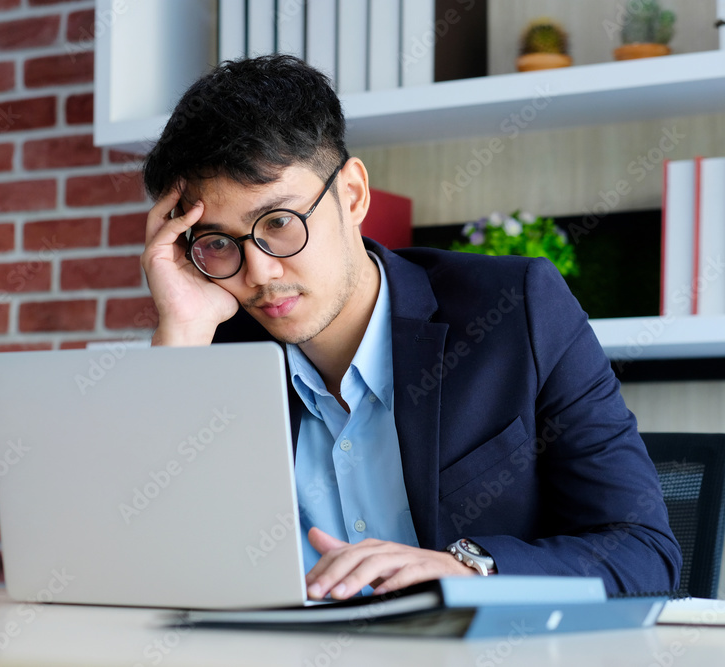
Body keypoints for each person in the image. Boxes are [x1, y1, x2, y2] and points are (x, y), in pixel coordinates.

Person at [140, 54, 681, 599]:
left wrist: (469, 570)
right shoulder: (216, 349)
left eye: (279, 223)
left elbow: (643, 553)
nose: (258, 272)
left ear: (351, 196)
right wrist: (181, 335)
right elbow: (146, 563)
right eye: (216, 242)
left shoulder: (517, 310)